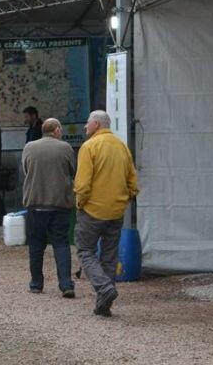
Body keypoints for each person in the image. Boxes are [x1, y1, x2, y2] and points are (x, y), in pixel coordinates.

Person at [74, 110, 139, 317]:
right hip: (116, 210)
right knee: (110, 256)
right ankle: (104, 305)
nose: (85, 127)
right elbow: (133, 181)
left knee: (85, 251)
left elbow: (82, 184)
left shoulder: (89, 147)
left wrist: (80, 203)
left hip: (93, 209)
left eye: (87, 123)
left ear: (96, 124)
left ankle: (104, 288)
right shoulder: (122, 147)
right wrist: (125, 199)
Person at [22, 118, 76, 297]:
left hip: (35, 203)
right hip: (59, 203)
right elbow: (72, 171)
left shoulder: (29, 147)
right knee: (61, 243)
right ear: (57, 130)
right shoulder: (65, 148)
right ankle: (66, 284)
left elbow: (26, 170)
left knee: (36, 245)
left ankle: (36, 283)